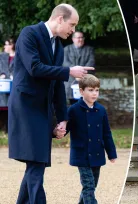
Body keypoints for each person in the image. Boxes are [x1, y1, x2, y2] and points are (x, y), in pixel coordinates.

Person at [8, 4, 94, 203]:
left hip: (43, 110)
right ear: (60, 19)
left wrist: (62, 119)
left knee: (36, 163)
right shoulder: (29, 34)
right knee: (37, 162)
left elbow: (56, 86)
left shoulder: (59, 48)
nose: (73, 30)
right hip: (26, 106)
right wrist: (69, 72)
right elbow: (34, 68)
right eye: (72, 24)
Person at [54, 74, 117, 203]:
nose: (94, 93)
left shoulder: (101, 110)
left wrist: (111, 153)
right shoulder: (73, 110)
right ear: (81, 91)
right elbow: (66, 128)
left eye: (97, 90)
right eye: (90, 90)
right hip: (82, 154)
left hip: (97, 154)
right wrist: (58, 133)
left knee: (91, 186)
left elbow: (106, 133)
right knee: (88, 186)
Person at [63, 31, 95, 105]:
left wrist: (81, 74)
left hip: (86, 80)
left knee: (86, 104)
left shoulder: (89, 49)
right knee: (72, 104)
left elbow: (91, 62)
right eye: (78, 38)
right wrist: (75, 72)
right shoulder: (66, 49)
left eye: (82, 37)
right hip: (70, 81)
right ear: (73, 39)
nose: (80, 39)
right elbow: (65, 63)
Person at [0, 38, 15, 130]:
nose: (5, 46)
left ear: (12, 45)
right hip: (4, 84)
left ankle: (9, 128)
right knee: (3, 105)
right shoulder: (2, 56)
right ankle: (3, 128)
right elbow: (1, 68)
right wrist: (2, 74)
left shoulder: (18, 56)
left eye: (7, 44)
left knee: (12, 106)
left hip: (14, 84)